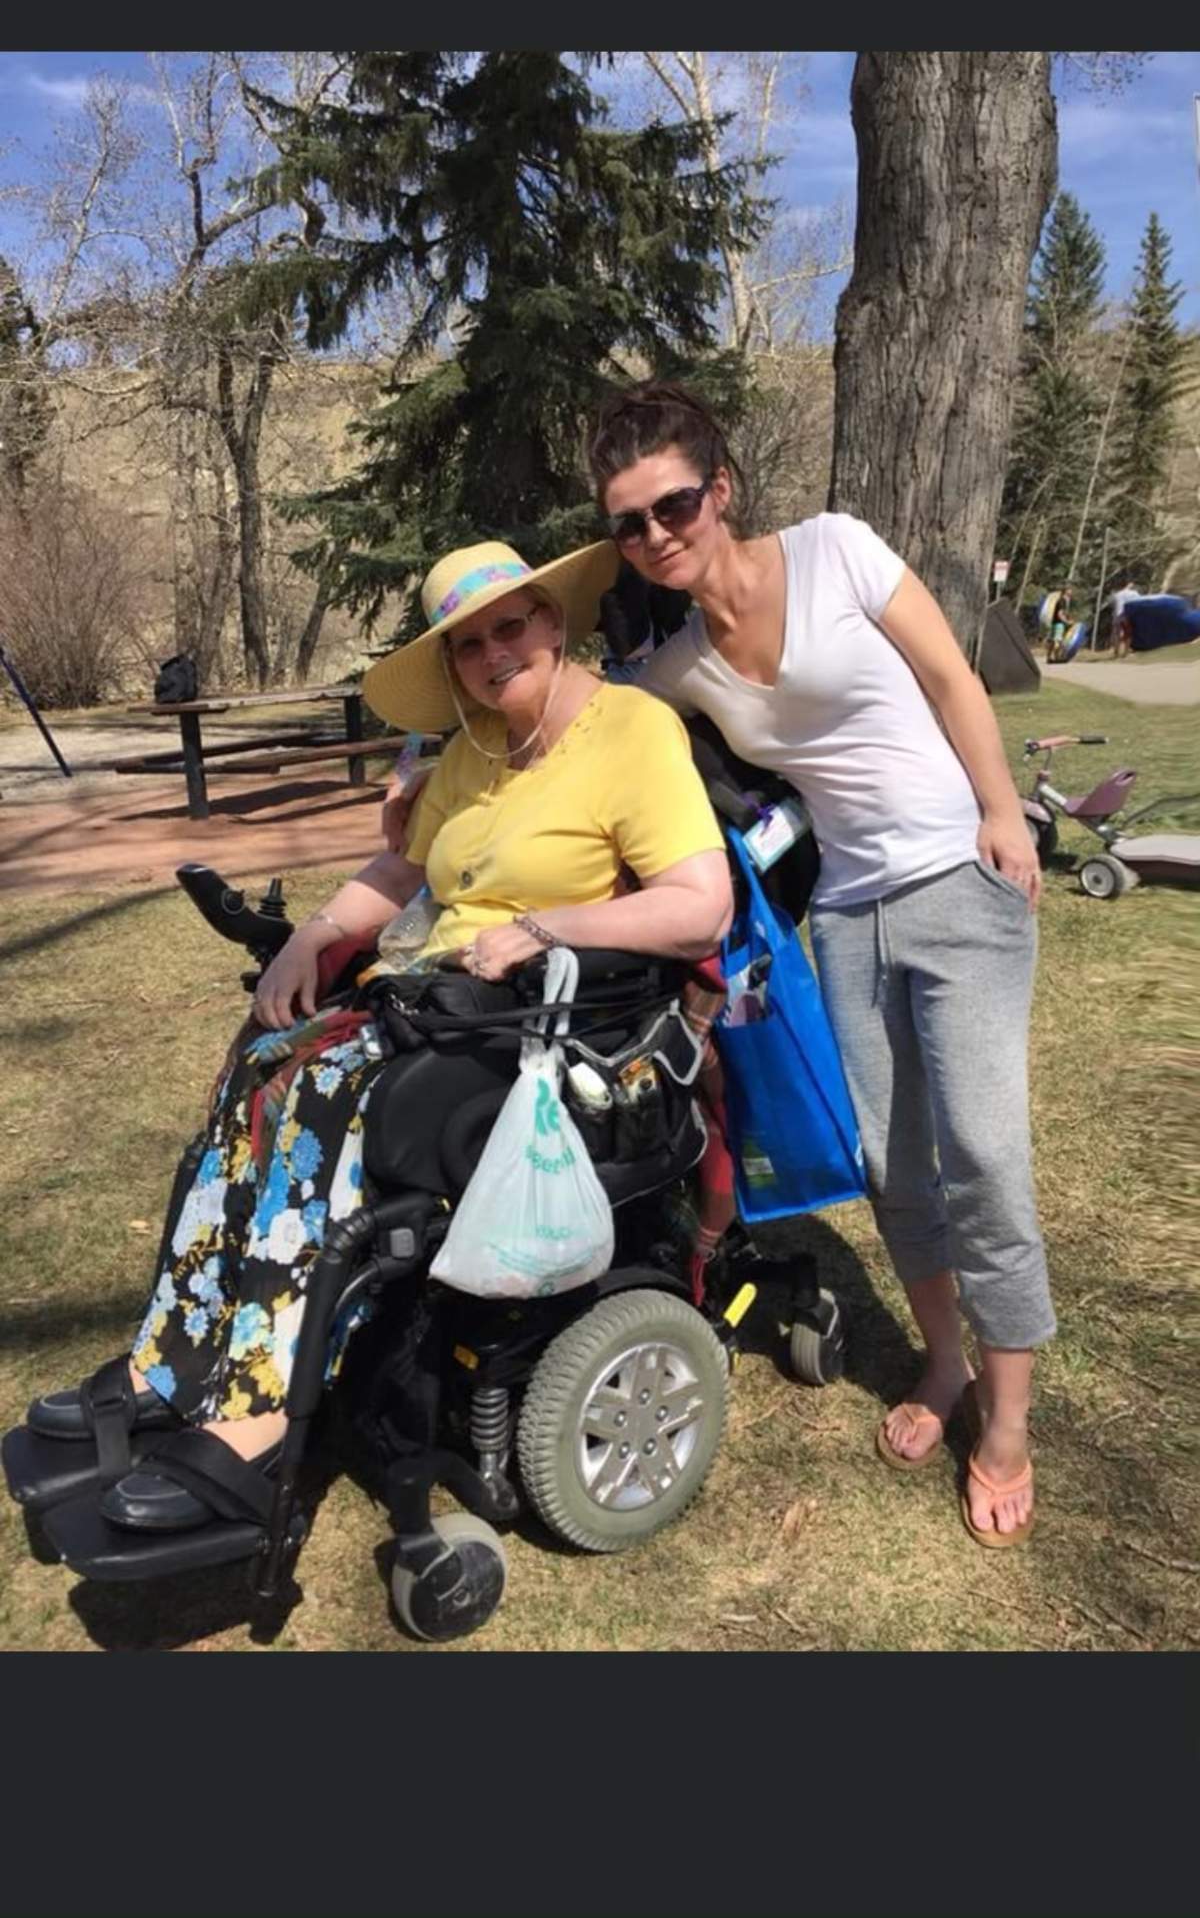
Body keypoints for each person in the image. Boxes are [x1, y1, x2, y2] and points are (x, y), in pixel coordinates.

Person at [25, 536, 731, 1535]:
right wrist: (312, 936)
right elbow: (400, 875)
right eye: (468, 644)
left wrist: (544, 927)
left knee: (319, 1100)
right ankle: (177, 1355)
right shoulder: (475, 750)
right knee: (261, 1071)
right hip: (440, 1006)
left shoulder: (631, 730)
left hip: (553, 1035)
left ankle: (257, 1416)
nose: (493, 654)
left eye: (510, 626)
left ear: (553, 621)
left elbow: (700, 909)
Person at [585, 381, 1054, 1550]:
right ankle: (943, 1363)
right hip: (844, 919)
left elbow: (954, 678)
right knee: (891, 1163)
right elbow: (577, 708)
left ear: (721, 490)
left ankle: (1005, 1424)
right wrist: (418, 761)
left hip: (960, 881)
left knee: (986, 1157)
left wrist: (1002, 812)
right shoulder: (683, 660)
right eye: (628, 524)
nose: (655, 537)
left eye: (673, 504)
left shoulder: (837, 549)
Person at [1044, 584, 1075, 663]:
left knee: (1052, 641)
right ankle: (1056, 657)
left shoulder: (1060, 600)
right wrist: (1067, 622)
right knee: (1058, 640)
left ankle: (1049, 658)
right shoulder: (1063, 601)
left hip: (1054, 622)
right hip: (1059, 624)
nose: (1071, 591)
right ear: (1066, 591)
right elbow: (1060, 613)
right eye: (1070, 590)